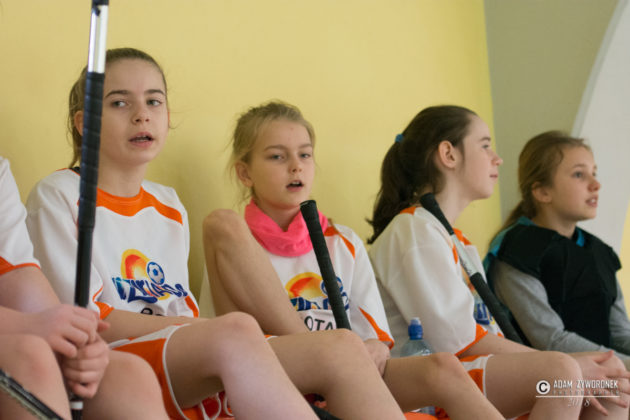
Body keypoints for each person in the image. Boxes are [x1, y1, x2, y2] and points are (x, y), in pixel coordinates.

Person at [26, 47, 404, 420]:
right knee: (237, 329)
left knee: (340, 346)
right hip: (111, 360)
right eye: (120, 103)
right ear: (84, 122)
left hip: (182, 351)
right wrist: (205, 329)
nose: (142, 115)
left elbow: (179, 306)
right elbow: (86, 321)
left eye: (154, 101)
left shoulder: (168, 204)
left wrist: (201, 329)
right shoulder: (58, 195)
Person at [206, 100, 504, 419]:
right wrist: (326, 356)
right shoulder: (234, 243)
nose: (296, 166)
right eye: (277, 156)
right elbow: (224, 338)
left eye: (305, 155)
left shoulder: (343, 240)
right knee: (339, 352)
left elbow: (375, 341)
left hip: (346, 372)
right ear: (245, 172)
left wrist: (373, 348)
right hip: (275, 377)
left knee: (443, 367)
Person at [367, 105, 630, 419]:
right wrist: (569, 366)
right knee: (560, 373)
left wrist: (574, 368)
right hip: (434, 385)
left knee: (612, 386)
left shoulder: (457, 241)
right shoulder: (413, 230)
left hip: (477, 373)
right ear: (448, 154)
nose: (498, 159)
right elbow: (459, 341)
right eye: (485, 145)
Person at [0, 157, 168, 420]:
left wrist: (76, 341)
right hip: (15, 342)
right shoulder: (57, 192)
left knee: (130, 375)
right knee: (30, 356)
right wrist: (25, 325)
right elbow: (30, 324)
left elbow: (17, 276)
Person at [484, 131, 630, 369]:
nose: (596, 185)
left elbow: (620, 332)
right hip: (544, 381)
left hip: (605, 375)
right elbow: (550, 340)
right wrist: (623, 366)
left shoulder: (600, 252)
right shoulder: (515, 252)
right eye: (579, 174)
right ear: (542, 192)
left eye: (594, 173)